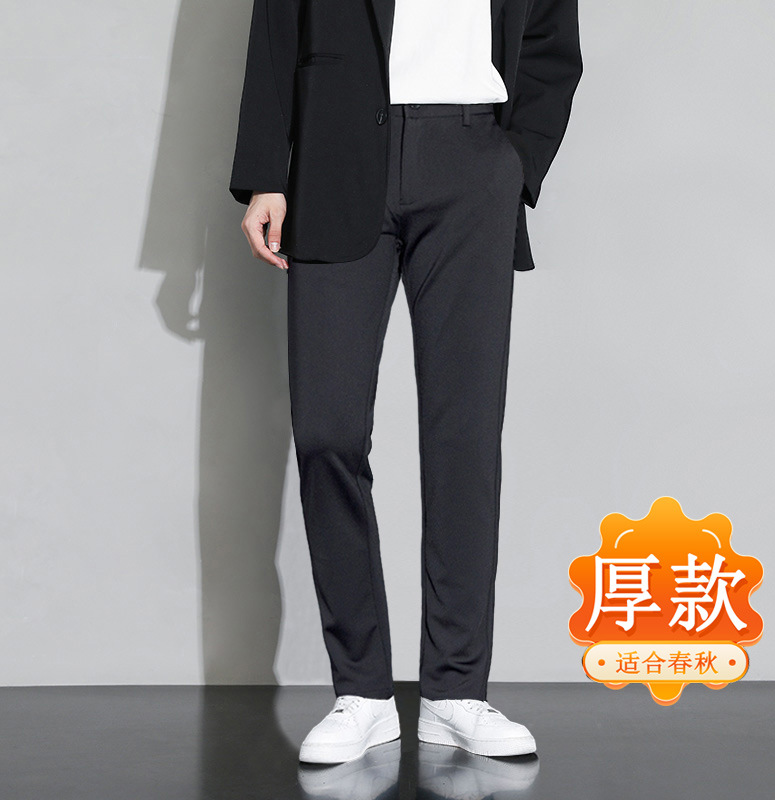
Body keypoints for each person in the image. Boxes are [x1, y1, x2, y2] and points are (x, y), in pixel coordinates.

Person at [230, 0, 582, 765]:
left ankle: (456, 691)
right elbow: (277, 21)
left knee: (464, 437)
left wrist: (517, 163)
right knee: (326, 431)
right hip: (335, 154)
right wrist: (264, 172)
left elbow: (553, 34)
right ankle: (362, 692)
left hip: (473, 159)